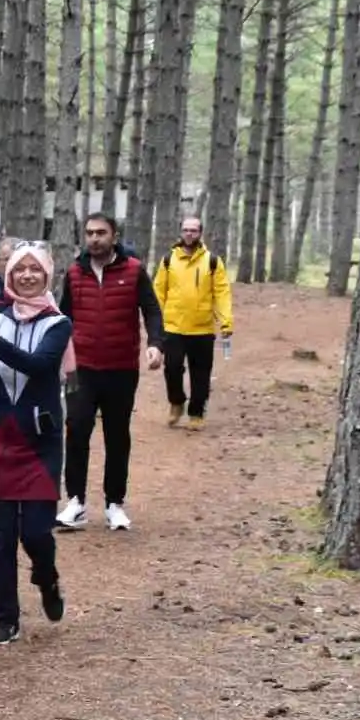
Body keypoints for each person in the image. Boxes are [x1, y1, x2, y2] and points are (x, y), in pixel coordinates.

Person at [0, 244, 72, 645]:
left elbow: (40, 367)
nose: (25, 275)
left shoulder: (59, 324)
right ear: (7, 275)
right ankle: (5, 617)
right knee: (0, 535)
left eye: (34, 269)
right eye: (18, 269)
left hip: (39, 442)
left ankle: (47, 578)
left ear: (47, 275)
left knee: (37, 533)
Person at [54, 213, 164, 532]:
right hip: (80, 369)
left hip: (121, 368)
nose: (94, 238)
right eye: (89, 233)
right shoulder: (75, 273)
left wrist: (156, 343)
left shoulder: (133, 271)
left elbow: (152, 309)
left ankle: (115, 504)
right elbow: (64, 317)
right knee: (76, 431)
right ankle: (75, 502)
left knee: (117, 437)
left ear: (114, 236)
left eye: (101, 233)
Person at [152, 217, 234, 432]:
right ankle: (176, 402)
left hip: (203, 328)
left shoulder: (213, 261)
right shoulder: (169, 259)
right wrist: (154, 322)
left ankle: (196, 413)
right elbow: (159, 292)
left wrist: (226, 322)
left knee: (201, 373)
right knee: (172, 368)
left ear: (200, 233)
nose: (189, 234)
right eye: (186, 230)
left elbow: (222, 294)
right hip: (173, 327)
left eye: (194, 230)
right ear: (180, 232)